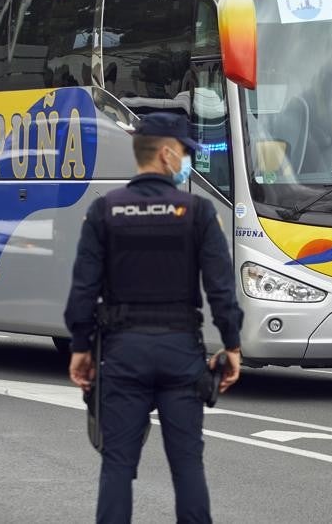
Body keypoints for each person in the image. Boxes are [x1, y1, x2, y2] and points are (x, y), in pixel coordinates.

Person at [65, 112, 244, 524]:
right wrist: (231, 345)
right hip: (181, 354)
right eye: (184, 153)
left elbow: (82, 291)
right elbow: (220, 290)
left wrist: (80, 348)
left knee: (117, 467)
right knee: (187, 468)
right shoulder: (198, 213)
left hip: (123, 354)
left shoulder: (104, 212)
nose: (186, 162)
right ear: (166, 154)